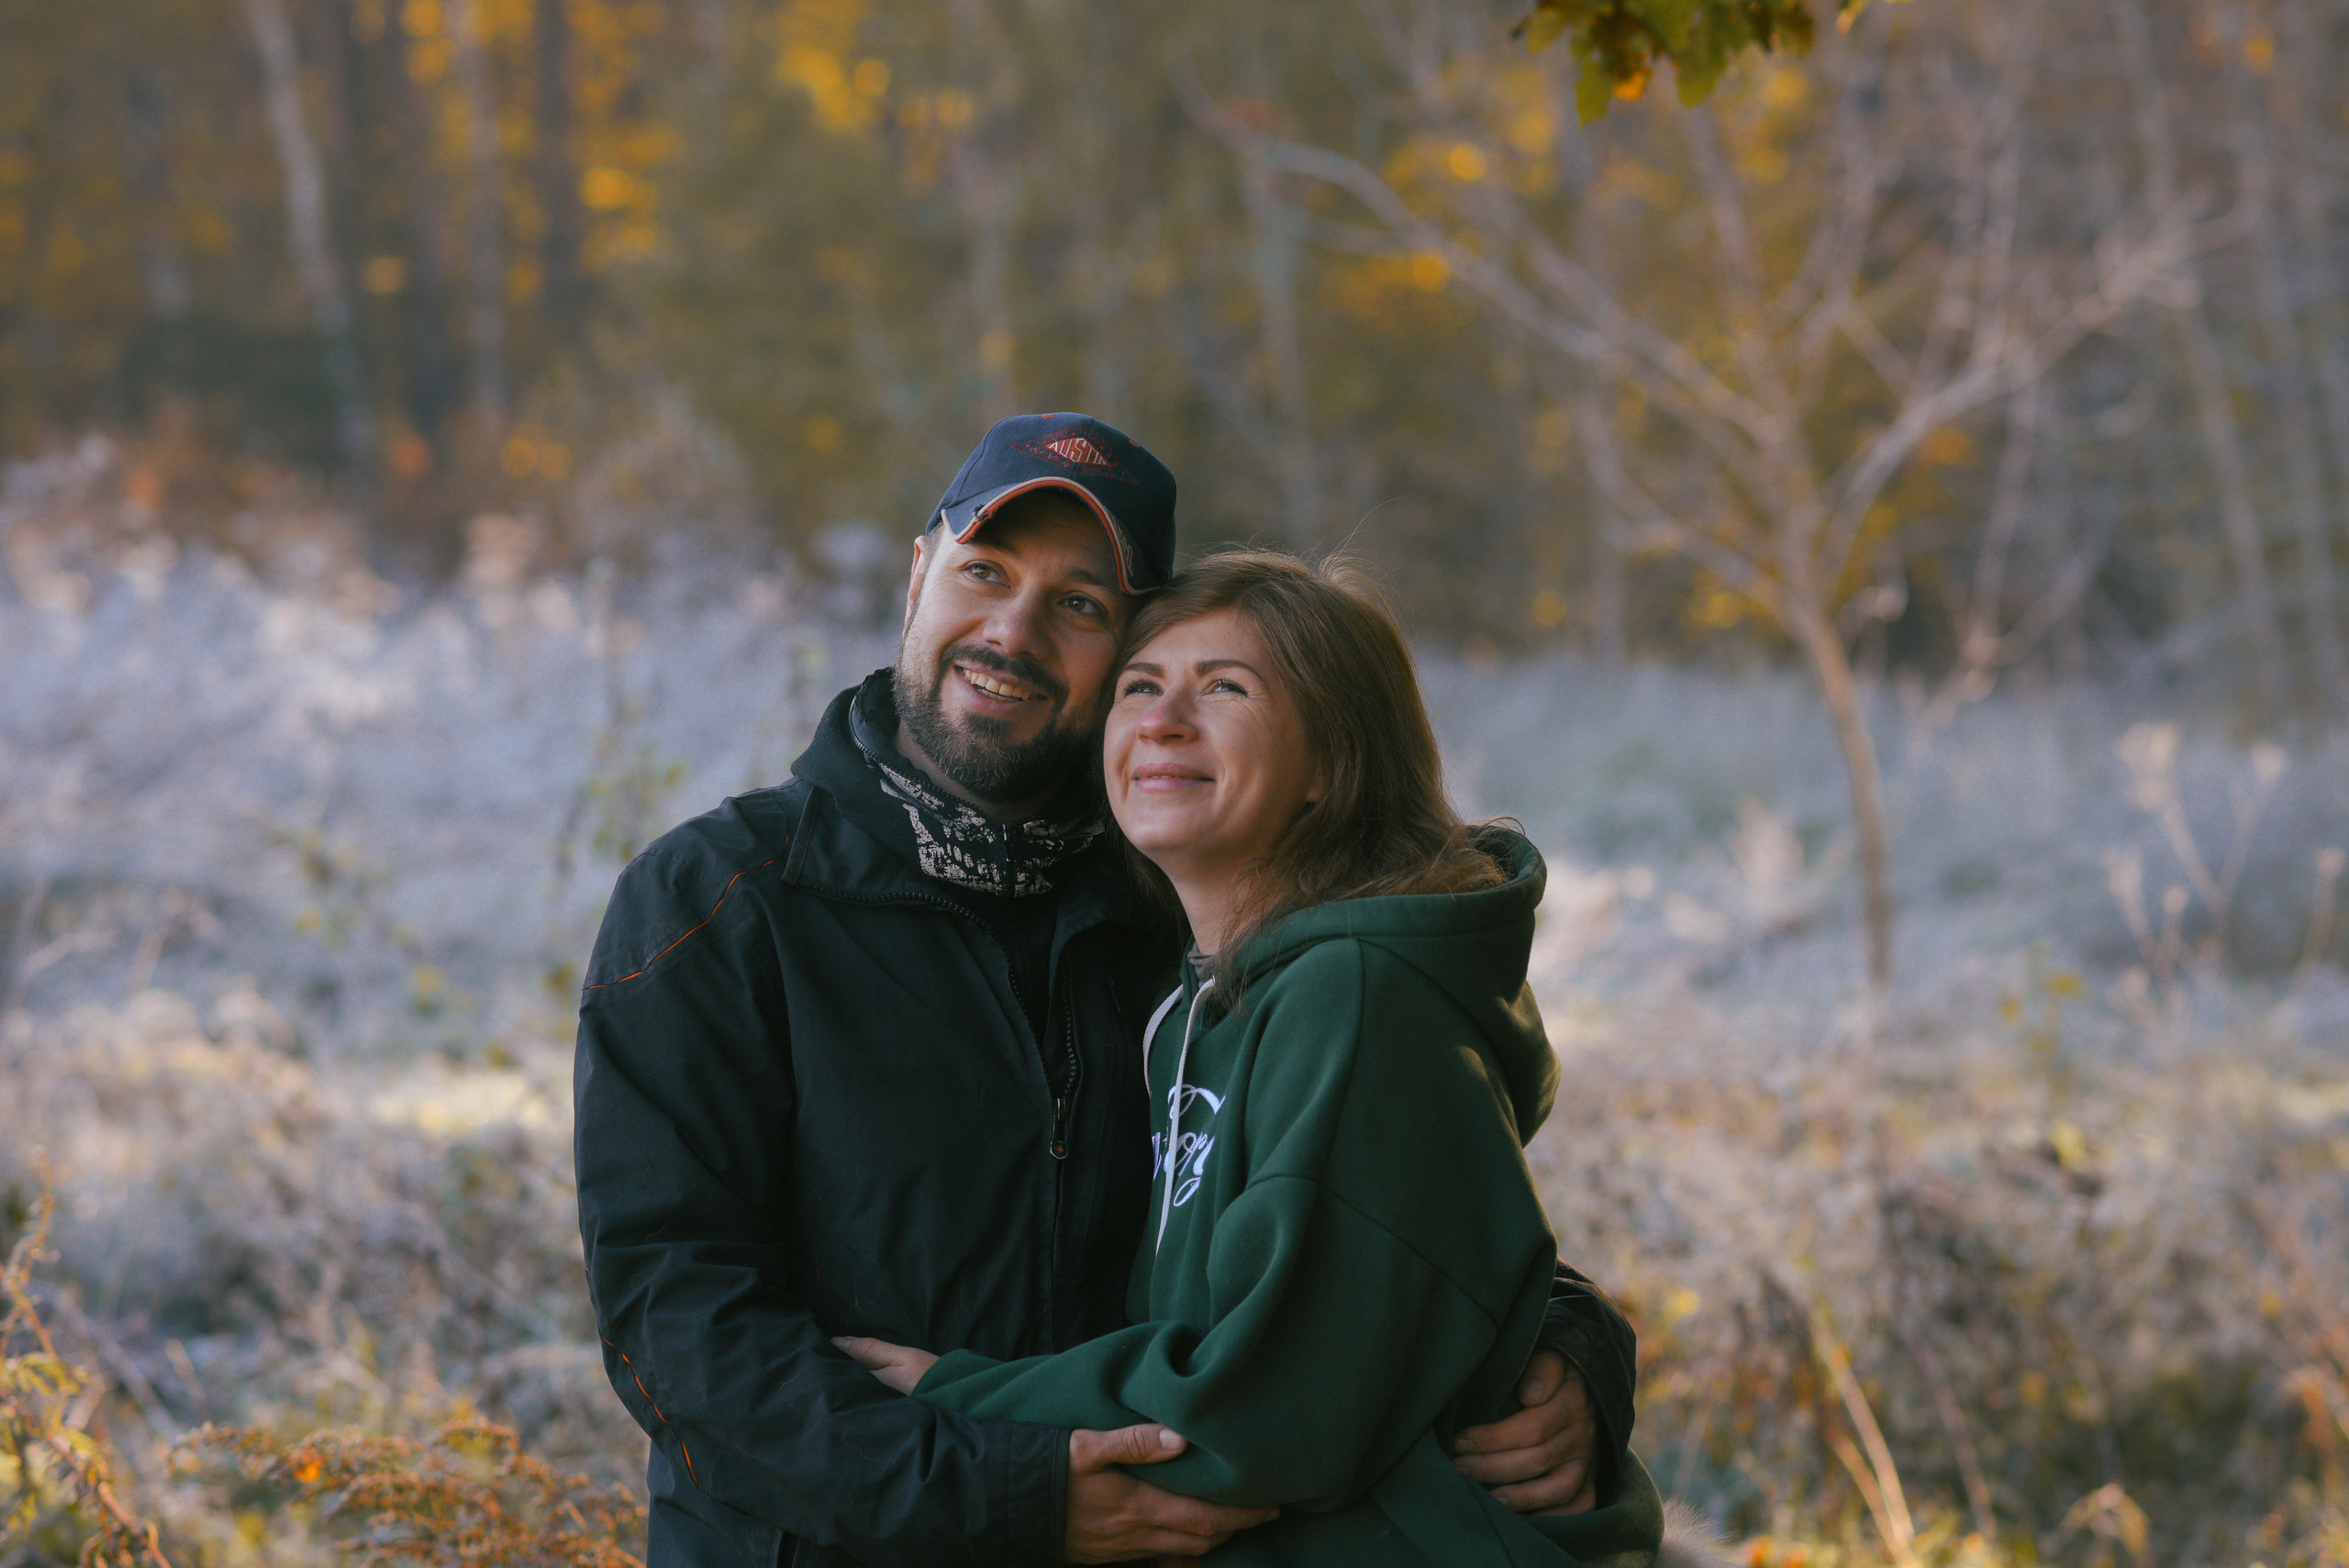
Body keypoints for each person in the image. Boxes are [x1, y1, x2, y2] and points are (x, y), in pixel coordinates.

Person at [574, 416, 1636, 1568]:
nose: (1014, 631)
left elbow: (1378, 1209)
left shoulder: (1187, 910)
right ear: (918, 574)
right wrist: (1002, 1494)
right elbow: (678, 1321)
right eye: (985, 571)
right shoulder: (721, 903)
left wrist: (1572, 1351)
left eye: (1080, 605)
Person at [835, 550, 1667, 1566]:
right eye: (1141, 686)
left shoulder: (1354, 997)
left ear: (1332, 762)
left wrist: (948, 1394)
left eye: (1224, 687)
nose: (1163, 720)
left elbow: (1275, 1405)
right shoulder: (1194, 992)